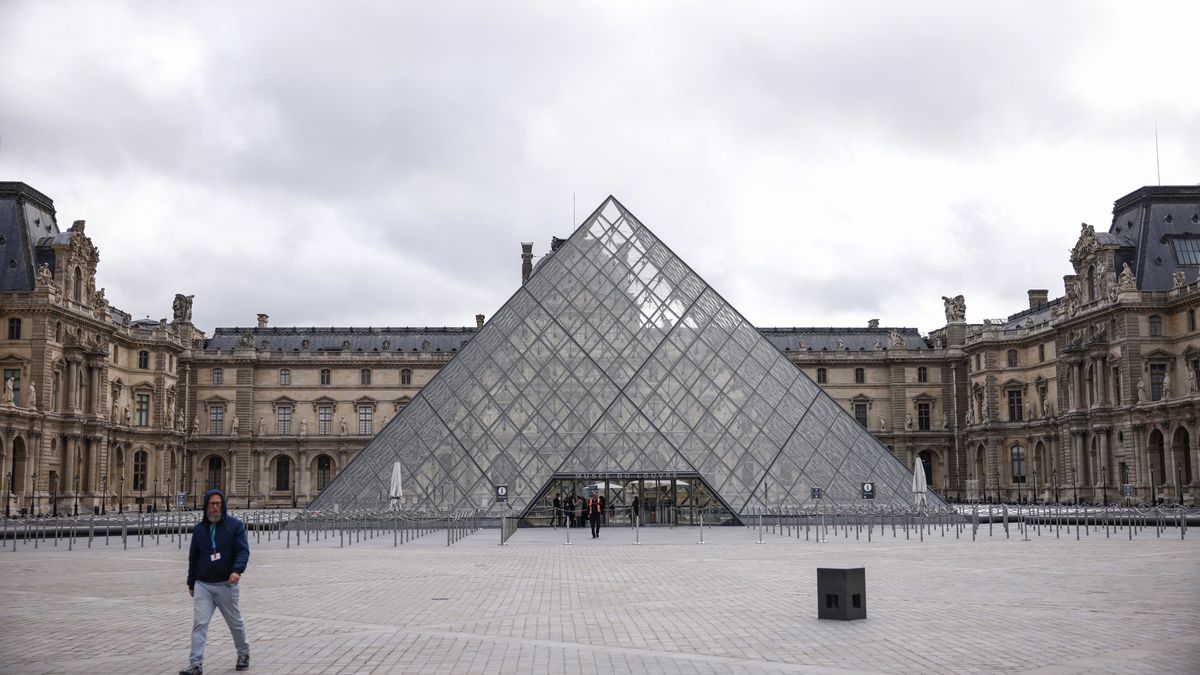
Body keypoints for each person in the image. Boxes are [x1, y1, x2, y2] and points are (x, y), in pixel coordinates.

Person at [182, 489, 251, 674]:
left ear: (223, 505)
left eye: (218, 504)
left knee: (234, 622)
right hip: (203, 584)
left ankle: (243, 653)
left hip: (226, 584)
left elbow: (243, 551)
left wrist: (237, 570)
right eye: (211, 504)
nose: (214, 507)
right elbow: (193, 558)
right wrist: (191, 583)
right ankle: (196, 664)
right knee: (200, 624)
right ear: (206, 506)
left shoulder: (235, 526)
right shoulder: (199, 529)